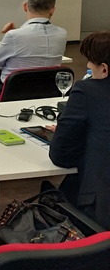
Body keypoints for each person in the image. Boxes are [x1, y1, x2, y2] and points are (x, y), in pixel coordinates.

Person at [49, 31, 110, 229]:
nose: (88, 66)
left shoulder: (87, 90)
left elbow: (60, 156)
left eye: (91, 62)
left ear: (104, 69)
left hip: (100, 209)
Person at [0, 0, 67, 101]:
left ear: (25, 6)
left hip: (15, 91)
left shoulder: (14, 35)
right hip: (49, 89)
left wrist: (12, 36)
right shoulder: (62, 34)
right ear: (53, 10)